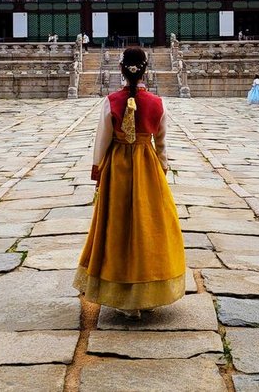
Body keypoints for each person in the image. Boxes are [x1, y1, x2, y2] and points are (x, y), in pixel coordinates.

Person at [75, 47, 186, 318]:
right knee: (149, 225)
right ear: (145, 69)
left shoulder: (111, 101)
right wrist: (162, 166)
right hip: (146, 165)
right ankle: (147, 291)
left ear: (121, 69)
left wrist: (97, 169)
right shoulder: (157, 103)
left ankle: (122, 295)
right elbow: (161, 143)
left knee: (117, 225)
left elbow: (102, 140)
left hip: (117, 167)